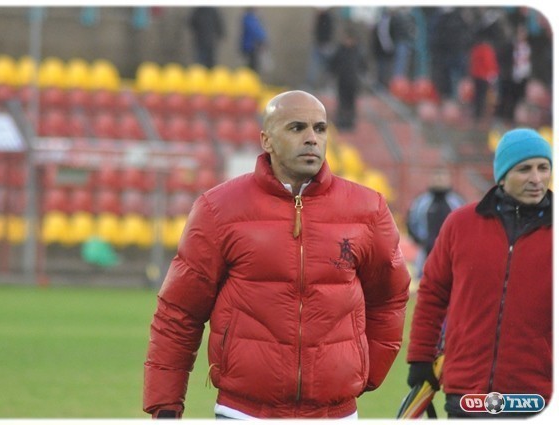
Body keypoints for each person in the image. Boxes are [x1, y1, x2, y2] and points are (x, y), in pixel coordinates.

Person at [143, 90, 411, 419]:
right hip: (244, 413)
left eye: (320, 128)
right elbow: (179, 312)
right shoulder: (218, 209)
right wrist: (166, 405)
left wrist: (363, 373)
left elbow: (390, 298)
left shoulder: (368, 209)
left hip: (336, 414)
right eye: (297, 128)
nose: (312, 138)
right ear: (266, 141)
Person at [406, 128, 552, 418]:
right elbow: (433, 293)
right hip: (467, 391)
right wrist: (421, 357)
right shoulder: (460, 224)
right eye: (524, 169)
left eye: (543, 167)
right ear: (502, 176)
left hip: (537, 397)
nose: (536, 178)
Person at [406, 167, 465, 279]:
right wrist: (421, 242)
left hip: (451, 252)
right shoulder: (421, 202)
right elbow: (411, 222)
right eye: (437, 177)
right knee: (422, 281)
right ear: (431, 179)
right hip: (426, 252)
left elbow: (465, 225)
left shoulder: (457, 202)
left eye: (443, 177)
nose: (440, 179)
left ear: (449, 179)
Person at [328, 28, 367, 131]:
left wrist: (362, 76)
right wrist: (333, 73)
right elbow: (333, 64)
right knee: (342, 102)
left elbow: (363, 66)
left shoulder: (358, 51)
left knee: (351, 103)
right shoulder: (339, 50)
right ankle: (341, 122)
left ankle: (350, 122)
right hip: (342, 81)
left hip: (353, 82)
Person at [305, 7, 335, 91]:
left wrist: (324, 43)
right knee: (313, 67)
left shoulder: (327, 18)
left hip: (325, 45)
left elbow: (327, 32)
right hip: (318, 44)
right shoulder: (319, 17)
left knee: (326, 67)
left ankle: (327, 86)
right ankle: (311, 85)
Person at [239, 7, 268, 73]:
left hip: (251, 47)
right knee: (253, 68)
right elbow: (257, 32)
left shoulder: (250, 18)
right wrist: (264, 40)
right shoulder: (250, 19)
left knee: (253, 67)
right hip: (251, 48)